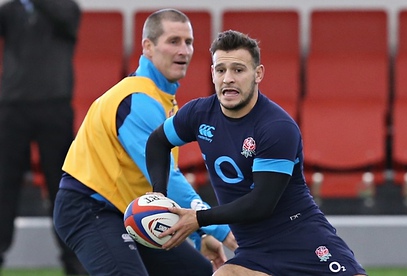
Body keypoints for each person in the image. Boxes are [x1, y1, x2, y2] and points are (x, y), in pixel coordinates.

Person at [145, 30, 368, 275]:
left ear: (258, 74)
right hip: (253, 251)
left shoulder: (276, 127)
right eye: (221, 70)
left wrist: (198, 218)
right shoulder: (198, 114)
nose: (228, 78)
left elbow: (261, 204)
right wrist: (160, 198)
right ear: (212, 74)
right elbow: (157, 142)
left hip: (302, 239)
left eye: (238, 70)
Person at [53, 9, 237, 276]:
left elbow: (157, 184)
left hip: (131, 213)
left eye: (189, 42)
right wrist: (221, 230)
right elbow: (169, 178)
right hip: (90, 208)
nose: (184, 50)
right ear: (148, 47)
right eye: (173, 41)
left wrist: (199, 236)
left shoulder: (159, 99)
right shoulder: (137, 99)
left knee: (199, 271)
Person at [0, 0, 86, 275]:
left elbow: (67, 25)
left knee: (63, 189)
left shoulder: (66, 8)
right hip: (12, 108)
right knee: (3, 187)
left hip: (55, 106)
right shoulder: (10, 11)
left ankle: (73, 262)